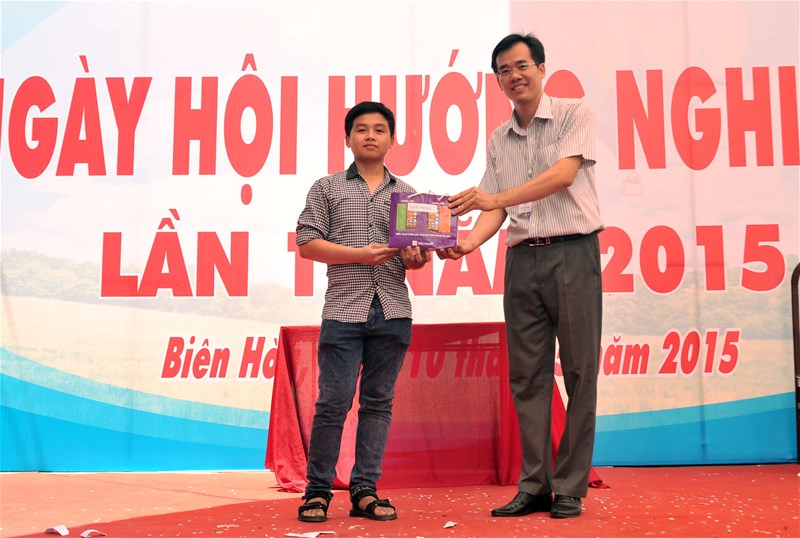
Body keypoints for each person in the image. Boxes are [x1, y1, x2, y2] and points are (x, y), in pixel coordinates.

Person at [437, 33, 603, 519]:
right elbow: (492, 205)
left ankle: (570, 486)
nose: (514, 76)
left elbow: (563, 176)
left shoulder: (574, 113)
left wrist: (494, 200)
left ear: (542, 68)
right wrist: (468, 244)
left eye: (522, 65)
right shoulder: (498, 138)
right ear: (497, 81)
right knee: (528, 377)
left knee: (579, 371)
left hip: (573, 252)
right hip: (522, 260)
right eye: (504, 70)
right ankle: (535, 485)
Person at [294, 101, 431, 523]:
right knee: (332, 403)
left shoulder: (409, 195)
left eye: (379, 129)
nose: (370, 135)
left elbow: (416, 258)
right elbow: (306, 243)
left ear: (392, 139)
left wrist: (416, 258)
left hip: (393, 310)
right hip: (343, 310)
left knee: (378, 404)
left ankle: (365, 490)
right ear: (347, 138)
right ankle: (317, 492)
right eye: (361, 129)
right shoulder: (327, 188)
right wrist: (359, 255)